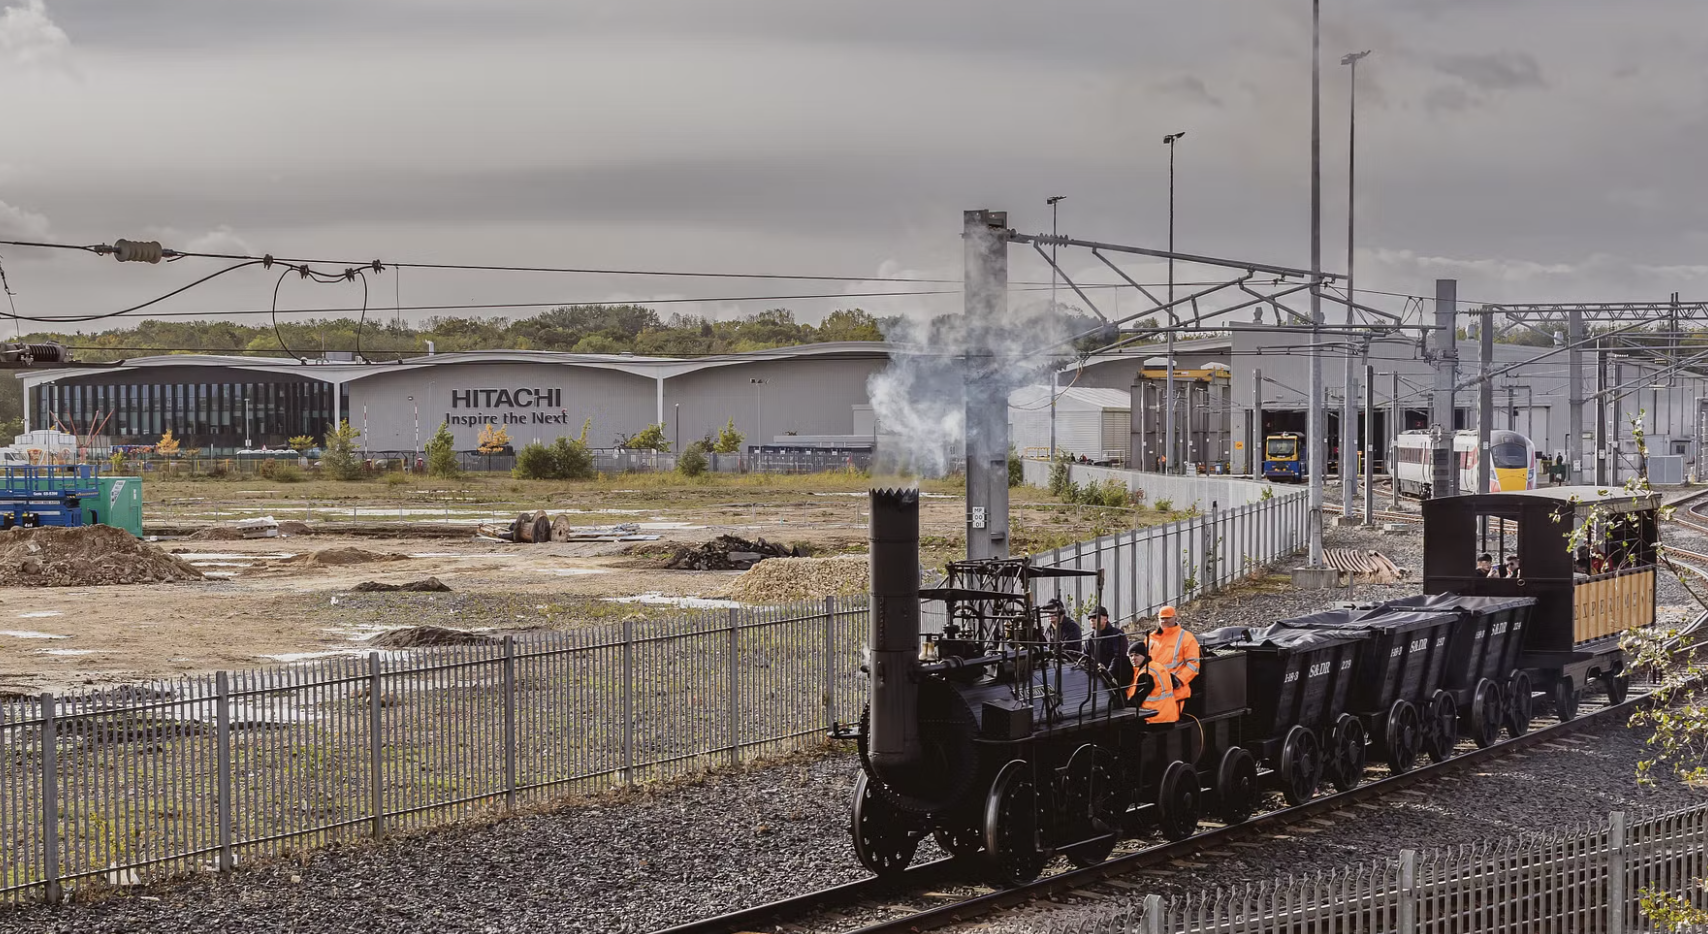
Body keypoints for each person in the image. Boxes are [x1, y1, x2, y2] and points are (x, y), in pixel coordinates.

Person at [1147, 605, 1201, 717]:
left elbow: (1193, 664)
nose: (1164, 621)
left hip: (1174, 692)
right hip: (1153, 692)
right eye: (1162, 618)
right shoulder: (1152, 638)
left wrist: (1179, 679)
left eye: (1167, 618)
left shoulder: (1186, 638)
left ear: (1175, 618)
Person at [1126, 643, 1178, 723]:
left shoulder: (1146, 674)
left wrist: (1124, 706)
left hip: (1153, 719)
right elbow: (1175, 684)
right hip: (1169, 716)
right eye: (1131, 656)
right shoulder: (1159, 667)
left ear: (1144, 655)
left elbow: (1137, 701)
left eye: (1137, 655)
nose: (1133, 658)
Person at [1084, 606, 1128, 675]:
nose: (1091, 619)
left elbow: (1119, 658)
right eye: (1089, 618)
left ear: (1105, 619)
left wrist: (1107, 675)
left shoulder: (1117, 635)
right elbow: (1085, 658)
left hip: (1116, 678)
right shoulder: (1090, 638)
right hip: (1096, 678)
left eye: (1095, 617)